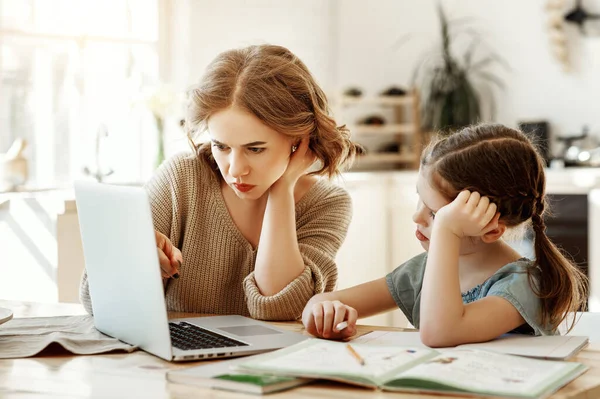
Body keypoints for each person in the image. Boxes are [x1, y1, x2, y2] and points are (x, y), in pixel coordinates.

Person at [79, 44, 363, 320]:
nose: (236, 169)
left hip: (273, 366)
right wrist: (134, 261)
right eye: (221, 146)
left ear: (299, 140)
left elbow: (281, 308)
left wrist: (283, 188)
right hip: (177, 363)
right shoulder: (182, 177)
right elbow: (97, 300)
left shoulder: (328, 203)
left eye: (255, 149)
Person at [302, 123, 588, 347]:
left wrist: (446, 232)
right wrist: (324, 315)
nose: (417, 217)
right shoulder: (420, 272)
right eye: (419, 200)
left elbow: (440, 332)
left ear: (491, 229)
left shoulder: (523, 285)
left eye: (436, 214)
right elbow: (320, 302)